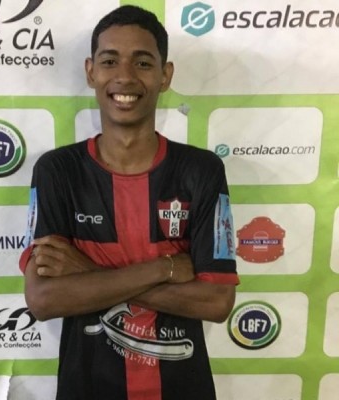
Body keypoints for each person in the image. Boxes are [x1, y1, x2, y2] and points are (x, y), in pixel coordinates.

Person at [19, 5, 239, 400]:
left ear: (165, 75)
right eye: (109, 61)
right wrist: (165, 269)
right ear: (91, 71)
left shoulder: (201, 170)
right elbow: (43, 299)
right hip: (86, 389)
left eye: (142, 62)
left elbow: (216, 302)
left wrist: (86, 271)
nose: (125, 76)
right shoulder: (57, 171)